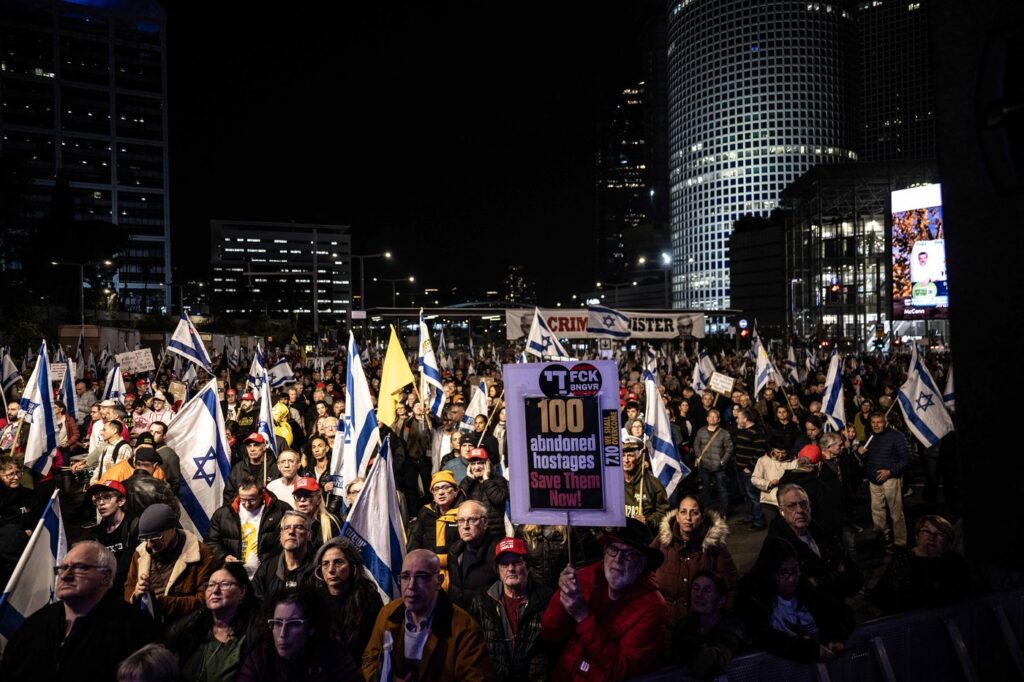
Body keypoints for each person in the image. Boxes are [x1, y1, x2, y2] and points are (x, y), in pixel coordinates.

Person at [0, 541, 158, 681]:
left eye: (80, 568)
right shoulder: (34, 626)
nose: (65, 576)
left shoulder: (134, 627)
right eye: (62, 568)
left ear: (105, 576)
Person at [541, 518, 670, 681]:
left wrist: (583, 616)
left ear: (643, 562)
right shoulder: (586, 577)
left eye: (629, 554)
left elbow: (621, 670)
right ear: (604, 551)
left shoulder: (653, 608)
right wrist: (562, 597)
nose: (617, 559)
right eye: (613, 549)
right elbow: (550, 634)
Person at [363, 549, 493, 681]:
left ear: (439, 581)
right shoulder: (388, 613)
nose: (411, 586)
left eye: (421, 577)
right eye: (405, 577)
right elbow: (369, 660)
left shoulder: (465, 629)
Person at [736, 537, 853, 664]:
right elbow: (763, 636)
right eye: (783, 572)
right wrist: (809, 650)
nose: (791, 579)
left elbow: (841, 612)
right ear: (770, 572)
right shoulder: (754, 599)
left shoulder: (804, 588)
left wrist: (835, 638)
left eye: (794, 571)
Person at [469, 537, 555, 682]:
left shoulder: (547, 600)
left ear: (527, 567)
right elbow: (472, 646)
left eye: (516, 562)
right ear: (497, 569)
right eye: (504, 563)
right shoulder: (481, 601)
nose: (510, 568)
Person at [165, 562, 264, 682]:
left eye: (225, 584)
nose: (215, 590)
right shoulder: (193, 624)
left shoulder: (255, 634)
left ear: (242, 591)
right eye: (211, 585)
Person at [652, 495, 740, 626]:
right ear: (677, 516)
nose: (688, 518)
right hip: (662, 626)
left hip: (699, 629)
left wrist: (718, 622)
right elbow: (643, 575)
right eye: (683, 512)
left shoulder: (714, 547)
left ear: (702, 517)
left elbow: (732, 588)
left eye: (694, 513)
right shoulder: (662, 542)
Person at [125, 503, 217, 628]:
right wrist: (136, 595)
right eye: (145, 538)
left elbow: (205, 599)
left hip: (185, 626)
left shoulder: (200, 554)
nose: (150, 544)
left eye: (156, 538)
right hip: (146, 623)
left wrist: (162, 603)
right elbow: (129, 586)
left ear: (172, 528)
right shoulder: (140, 553)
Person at [238, 587, 361, 681]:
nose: (283, 633)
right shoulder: (260, 658)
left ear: (311, 627)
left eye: (293, 624)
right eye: (277, 623)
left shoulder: (333, 655)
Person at [765, 484, 862, 601]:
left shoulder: (820, 532)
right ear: (781, 511)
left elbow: (855, 574)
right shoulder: (777, 546)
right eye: (791, 506)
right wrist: (837, 575)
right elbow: (799, 592)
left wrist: (819, 581)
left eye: (803, 504)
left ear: (810, 507)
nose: (800, 510)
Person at [872, 514, 974, 615]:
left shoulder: (954, 561)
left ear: (948, 541)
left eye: (939, 534)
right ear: (917, 537)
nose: (931, 537)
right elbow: (890, 598)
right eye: (926, 531)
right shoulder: (904, 558)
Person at [312, 536, 384, 665]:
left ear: (352, 566)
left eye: (338, 562)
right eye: (325, 564)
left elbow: (377, 646)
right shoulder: (314, 600)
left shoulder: (369, 599)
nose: (331, 570)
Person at [207, 476, 290, 576]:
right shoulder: (223, 514)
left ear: (261, 494)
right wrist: (224, 556)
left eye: (252, 500)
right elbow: (211, 541)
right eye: (243, 500)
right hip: (235, 574)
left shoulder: (281, 510)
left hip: (270, 573)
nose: (247, 504)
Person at [671, 570, 746, 679]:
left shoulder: (732, 626)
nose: (699, 594)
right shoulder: (685, 624)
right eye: (695, 588)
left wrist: (689, 644)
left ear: (721, 601)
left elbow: (711, 664)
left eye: (707, 590)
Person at [858, 411, 911, 551]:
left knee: (896, 512)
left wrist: (890, 472)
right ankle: (884, 536)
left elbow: (906, 459)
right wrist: (862, 453)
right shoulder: (871, 436)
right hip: (873, 480)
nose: (876, 425)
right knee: (877, 511)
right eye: (873, 422)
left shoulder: (897, 436)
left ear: (885, 422)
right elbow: (867, 458)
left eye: (879, 422)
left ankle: (900, 542)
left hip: (891, 480)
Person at [407, 470, 465, 581]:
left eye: (445, 487)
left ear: (456, 490)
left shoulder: (464, 512)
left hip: (458, 571)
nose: (441, 493)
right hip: (428, 572)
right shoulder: (425, 512)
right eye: (436, 489)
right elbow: (414, 542)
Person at [251, 510, 317, 600]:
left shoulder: (317, 571)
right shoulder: (267, 568)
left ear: (309, 535)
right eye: (286, 528)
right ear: (281, 535)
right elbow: (255, 602)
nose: (291, 532)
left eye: (299, 527)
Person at [87, 479, 138, 592]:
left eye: (107, 497)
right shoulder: (96, 534)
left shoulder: (134, 526)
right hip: (108, 591)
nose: (101, 503)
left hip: (131, 589)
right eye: (98, 499)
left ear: (121, 501)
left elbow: (132, 563)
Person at [447, 499, 500, 609]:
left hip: (485, 621)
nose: (465, 526)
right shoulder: (454, 552)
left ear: (485, 523)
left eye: (471, 520)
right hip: (460, 619)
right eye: (460, 520)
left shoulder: (498, 552)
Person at [622, 438, 670, 534]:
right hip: (620, 535)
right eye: (622, 456)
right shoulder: (612, 483)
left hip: (644, 535)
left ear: (638, 458)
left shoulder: (652, 483)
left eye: (630, 456)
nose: (626, 460)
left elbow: (664, 511)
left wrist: (649, 521)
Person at [459, 446, 509, 537]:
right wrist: (469, 480)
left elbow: (498, 499)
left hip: (494, 535)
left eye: (480, 463)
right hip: (473, 534)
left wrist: (486, 480)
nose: (477, 467)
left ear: (487, 463)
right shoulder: (467, 482)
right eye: (473, 464)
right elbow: (458, 503)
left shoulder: (499, 480)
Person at [693, 408, 734, 519]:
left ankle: (723, 512)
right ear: (707, 418)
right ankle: (705, 512)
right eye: (710, 416)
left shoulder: (724, 433)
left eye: (715, 416)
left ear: (719, 419)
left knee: (722, 490)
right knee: (705, 490)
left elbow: (729, 448)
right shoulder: (701, 431)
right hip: (704, 466)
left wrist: (722, 461)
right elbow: (696, 444)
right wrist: (699, 456)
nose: (712, 418)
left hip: (718, 467)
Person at [751, 434, 798, 526]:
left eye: (784, 453)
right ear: (772, 449)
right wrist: (768, 483)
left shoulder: (795, 461)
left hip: (789, 501)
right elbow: (754, 478)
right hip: (769, 501)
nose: (780, 456)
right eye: (777, 452)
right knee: (773, 527)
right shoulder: (763, 460)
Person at [733, 408, 768, 530]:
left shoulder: (757, 432)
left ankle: (759, 522)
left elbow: (759, 452)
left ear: (745, 419)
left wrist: (749, 467)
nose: (737, 419)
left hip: (750, 470)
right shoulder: (742, 430)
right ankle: (749, 516)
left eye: (739, 417)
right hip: (740, 468)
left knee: (753, 496)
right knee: (745, 495)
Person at [121, 445, 178, 518]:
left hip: (127, 528)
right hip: (153, 528)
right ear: (155, 465)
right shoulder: (161, 487)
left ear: (135, 464)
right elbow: (173, 513)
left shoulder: (122, 485)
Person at [224, 433, 280, 504]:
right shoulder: (238, 468)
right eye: (249, 446)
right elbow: (228, 494)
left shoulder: (275, 468)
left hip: (268, 512)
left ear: (264, 447)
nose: (252, 449)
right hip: (243, 511)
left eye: (256, 445)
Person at [290, 476, 341, 547]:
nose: (302, 500)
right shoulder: (289, 524)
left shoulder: (331, 523)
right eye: (298, 496)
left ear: (318, 499)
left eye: (307, 496)